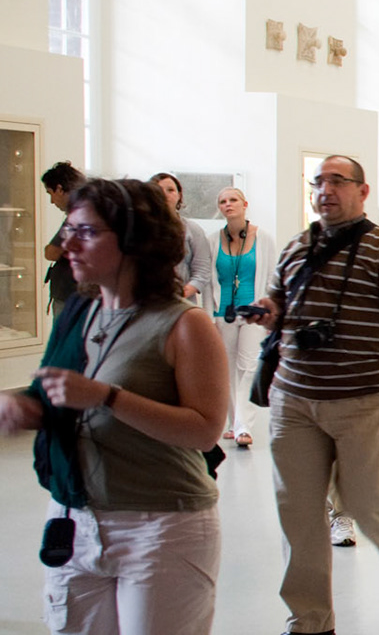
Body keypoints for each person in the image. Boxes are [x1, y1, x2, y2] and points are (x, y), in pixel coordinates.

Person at [0, 177, 229, 635]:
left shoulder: (185, 325)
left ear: (132, 239)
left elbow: (204, 430)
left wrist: (107, 397)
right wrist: (22, 408)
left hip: (161, 524)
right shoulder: (77, 314)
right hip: (74, 515)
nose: (69, 244)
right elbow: (52, 398)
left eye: (85, 232)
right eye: (68, 231)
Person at [246, 155, 379, 634]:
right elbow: (279, 301)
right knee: (298, 514)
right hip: (294, 401)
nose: (325, 190)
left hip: (360, 401)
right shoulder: (296, 247)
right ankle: (309, 622)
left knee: (369, 504)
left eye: (337, 181)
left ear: (362, 191)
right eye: (318, 182)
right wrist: (267, 310)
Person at [211, 186, 273, 449]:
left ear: (244, 204)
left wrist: (267, 311)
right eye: (223, 201)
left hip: (252, 313)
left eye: (233, 199)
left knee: (248, 367)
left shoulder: (263, 238)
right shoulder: (213, 239)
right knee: (225, 368)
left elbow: (271, 276)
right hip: (221, 312)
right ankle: (234, 421)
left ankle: (243, 425)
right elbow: (208, 280)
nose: (228, 204)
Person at [150, 173, 213, 314]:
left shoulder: (193, 230)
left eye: (170, 190)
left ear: (179, 195)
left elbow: (202, 272)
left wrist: (179, 295)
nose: (165, 195)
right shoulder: (142, 229)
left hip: (182, 305)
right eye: (159, 190)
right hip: (148, 305)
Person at [41, 161, 84, 317]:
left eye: (50, 193)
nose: (52, 201)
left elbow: (51, 253)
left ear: (59, 189)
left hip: (71, 296)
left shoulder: (78, 217)